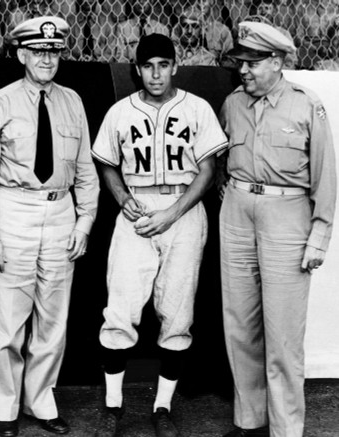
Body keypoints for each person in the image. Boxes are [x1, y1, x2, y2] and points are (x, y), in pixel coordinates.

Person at [91, 33, 228, 437]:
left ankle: (163, 407)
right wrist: (121, 197)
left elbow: (207, 171)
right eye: (148, 66)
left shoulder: (197, 108)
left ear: (174, 65)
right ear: (137, 69)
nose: (155, 73)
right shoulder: (120, 111)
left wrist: (171, 213)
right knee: (119, 311)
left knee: (178, 312)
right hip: (135, 210)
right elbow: (107, 164)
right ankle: (113, 406)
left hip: (183, 211)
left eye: (163, 65)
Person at [0, 15, 99, 437]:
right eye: (39, 51)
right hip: (14, 213)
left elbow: (85, 171)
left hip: (60, 214)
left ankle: (41, 401)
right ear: (22, 54)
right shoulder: (2, 102)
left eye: (54, 51)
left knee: (53, 320)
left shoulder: (73, 101)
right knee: (8, 324)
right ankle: (4, 408)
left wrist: (85, 222)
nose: (47, 59)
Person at [218, 21, 336, 437]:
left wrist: (319, 236)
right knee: (240, 324)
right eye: (241, 63)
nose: (243, 71)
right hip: (236, 213)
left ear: (277, 60)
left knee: (283, 334)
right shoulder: (233, 103)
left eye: (252, 63)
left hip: (287, 218)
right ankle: (250, 422)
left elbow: (325, 177)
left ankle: (286, 430)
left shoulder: (306, 106)